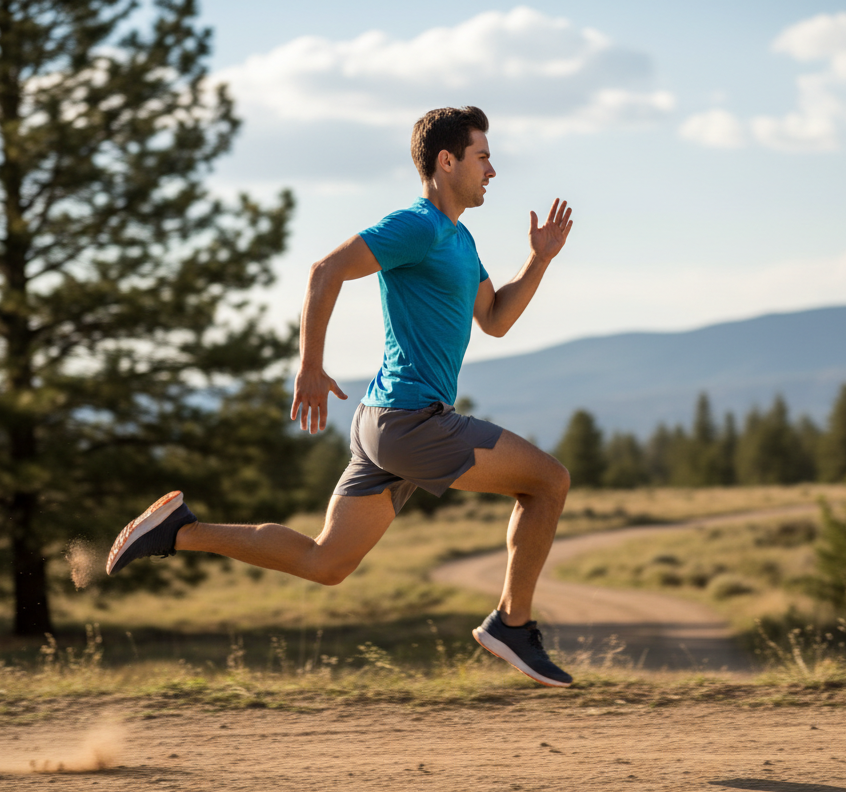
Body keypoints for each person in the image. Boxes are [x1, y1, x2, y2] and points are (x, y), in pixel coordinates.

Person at [106, 106, 575, 687]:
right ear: (447, 161)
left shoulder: (459, 238)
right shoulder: (418, 225)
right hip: (412, 421)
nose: (492, 171)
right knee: (548, 482)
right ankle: (512, 623)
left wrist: (539, 259)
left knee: (325, 562)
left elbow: (496, 319)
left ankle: (178, 530)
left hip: (387, 421)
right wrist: (309, 365)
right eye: (483, 157)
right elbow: (325, 270)